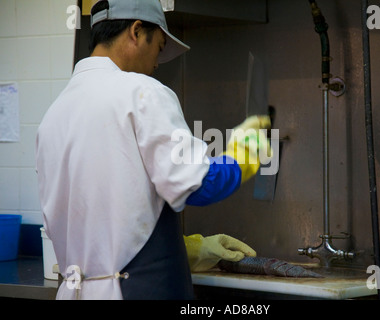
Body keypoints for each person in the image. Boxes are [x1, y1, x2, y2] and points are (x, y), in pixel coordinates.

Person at [35, 0, 271, 300]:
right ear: (136, 32)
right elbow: (201, 184)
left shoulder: (53, 115)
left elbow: (105, 218)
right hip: (136, 290)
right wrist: (243, 156)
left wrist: (186, 248)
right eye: (159, 48)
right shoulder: (142, 92)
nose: (157, 64)